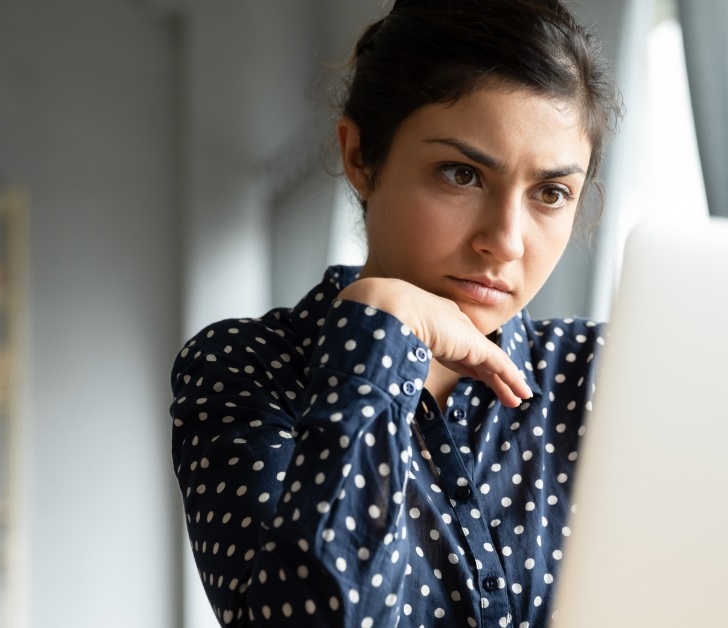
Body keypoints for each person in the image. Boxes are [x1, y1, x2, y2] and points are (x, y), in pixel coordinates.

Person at [169, 0, 622, 625]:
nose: (507, 241)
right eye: (461, 174)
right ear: (360, 157)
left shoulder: (605, 375)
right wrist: (377, 335)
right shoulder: (245, 369)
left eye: (550, 193)